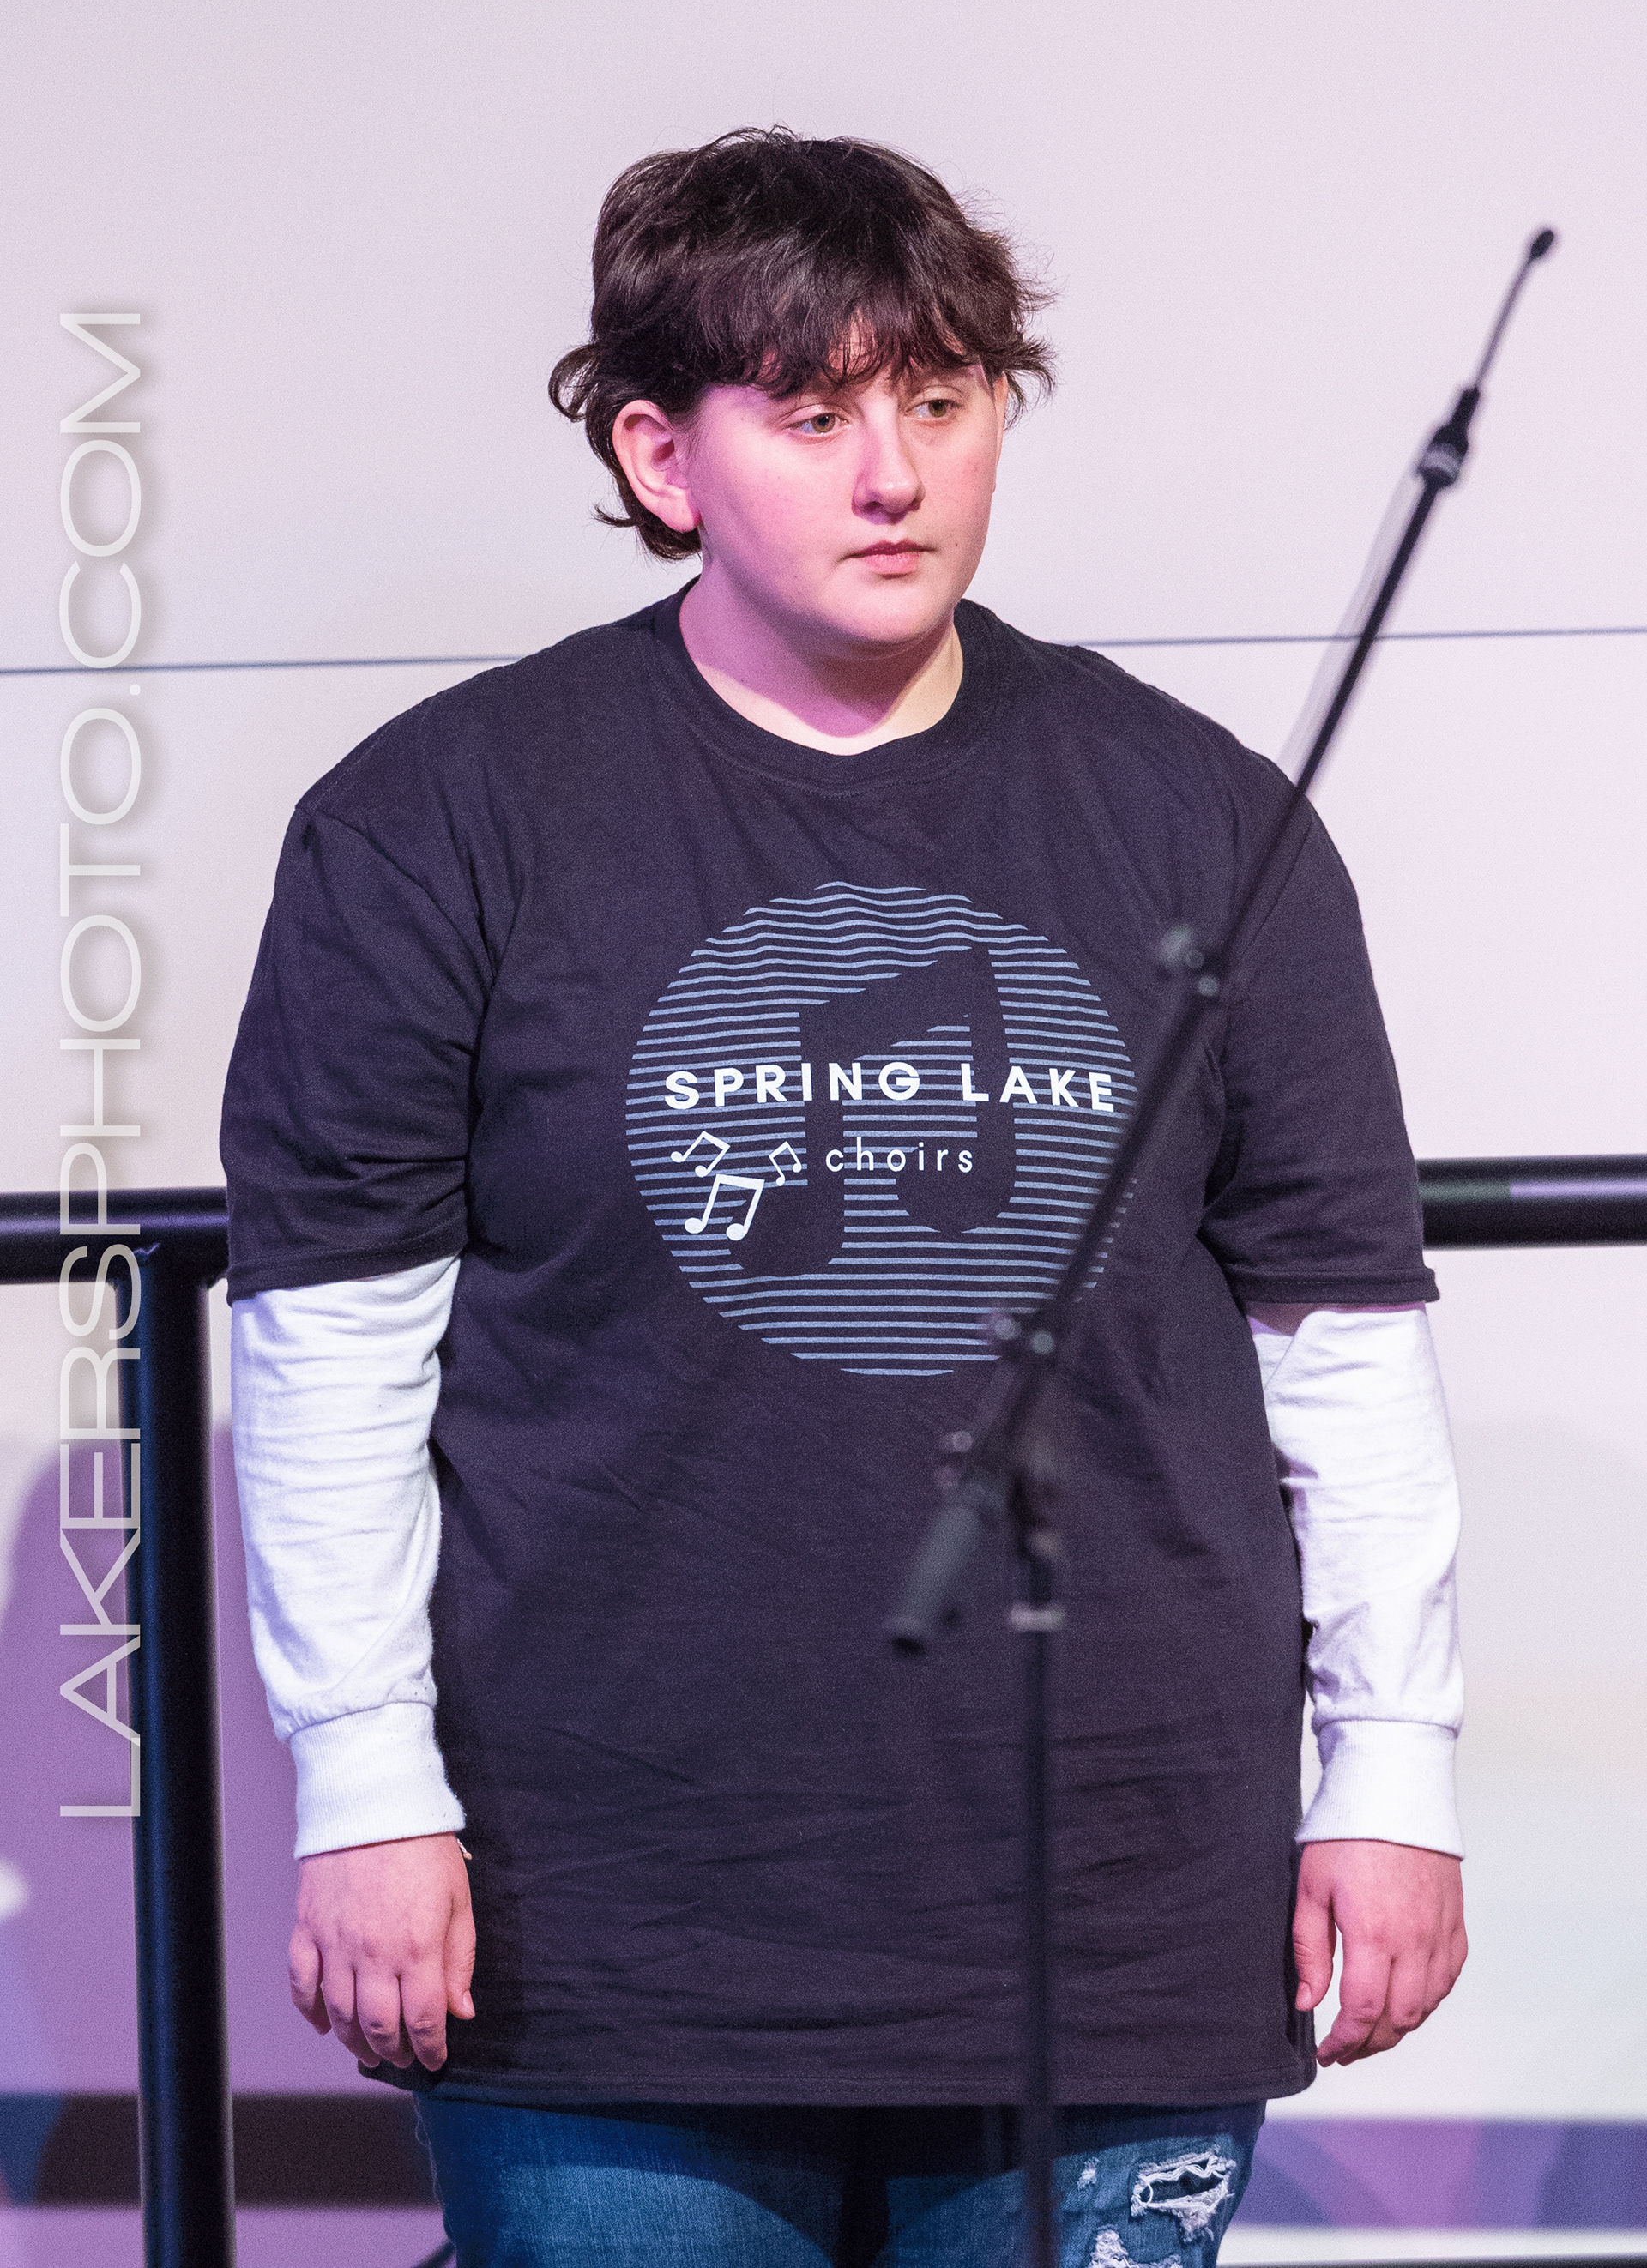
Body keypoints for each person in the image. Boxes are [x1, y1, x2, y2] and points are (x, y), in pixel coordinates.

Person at [221, 129, 1467, 2268]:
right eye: (811, 415)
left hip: (1112, 1905)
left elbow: (1336, 1334)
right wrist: (364, 1780)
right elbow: (335, 1341)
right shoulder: (439, 820)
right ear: (661, 454)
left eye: (943, 398)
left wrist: (1393, 1772)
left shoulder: (1202, 814)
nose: (894, 472)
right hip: (607, 1919)